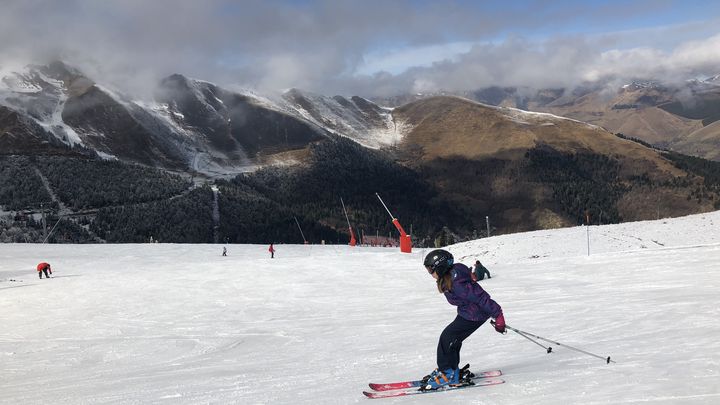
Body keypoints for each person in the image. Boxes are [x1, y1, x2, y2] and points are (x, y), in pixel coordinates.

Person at [421, 249, 505, 390]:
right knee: (452, 339)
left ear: (440, 267)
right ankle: (450, 370)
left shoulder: (457, 283)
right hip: (468, 313)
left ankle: (447, 372)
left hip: (474, 315)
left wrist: (498, 315)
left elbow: (481, 297)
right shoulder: (450, 277)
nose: (430, 273)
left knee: (447, 337)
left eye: (431, 269)